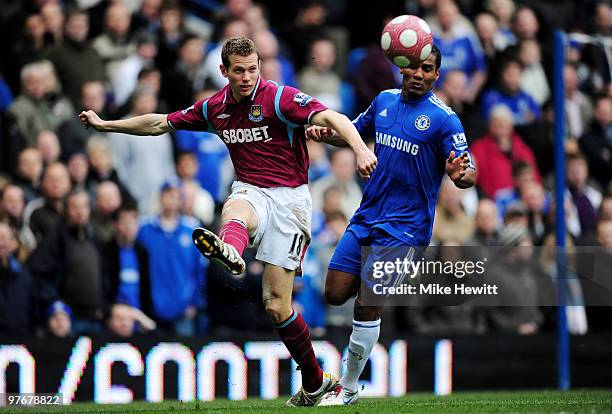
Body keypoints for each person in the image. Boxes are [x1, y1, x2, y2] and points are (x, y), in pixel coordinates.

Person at [78, 36, 377, 406]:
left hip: (290, 200)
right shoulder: (214, 108)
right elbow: (159, 123)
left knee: (276, 306)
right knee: (235, 207)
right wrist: (107, 125)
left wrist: (361, 148)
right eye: (239, 71)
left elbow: (332, 117)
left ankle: (314, 381)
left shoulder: (278, 98)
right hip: (251, 189)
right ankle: (230, 250)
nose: (248, 76)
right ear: (224, 71)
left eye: (253, 68)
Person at [306, 45, 475, 405]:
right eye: (413, 67)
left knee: (368, 303)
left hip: (406, 229)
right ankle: (367, 316)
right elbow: (354, 130)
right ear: (402, 68)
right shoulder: (384, 100)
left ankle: (348, 387)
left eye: (427, 69)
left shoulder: (445, 119)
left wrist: (461, 175)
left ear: (435, 75)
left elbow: (467, 169)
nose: (419, 74)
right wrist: (328, 135)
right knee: (335, 294)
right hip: (368, 215)